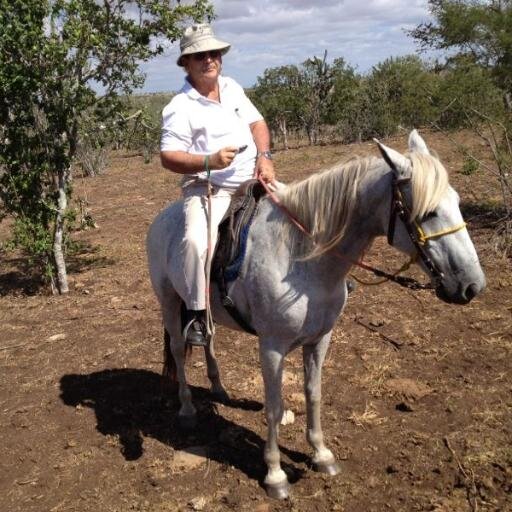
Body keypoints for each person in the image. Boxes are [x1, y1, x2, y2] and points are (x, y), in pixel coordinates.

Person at [160, 23, 275, 347]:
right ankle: (197, 313)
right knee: (197, 242)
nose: (209, 59)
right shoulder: (179, 107)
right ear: (186, 62)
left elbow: (258, 123)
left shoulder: (232, 87)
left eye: (213, 53)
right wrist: (208, 161)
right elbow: (168, 156)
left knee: (305, 212)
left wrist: (264, 156)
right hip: (212, 189)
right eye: (199, 55)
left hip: (255, 178)